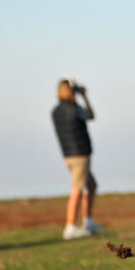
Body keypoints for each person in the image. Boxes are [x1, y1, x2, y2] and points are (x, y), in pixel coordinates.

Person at [51, 78, 105, 239]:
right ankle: (70, 227)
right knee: (77, 188)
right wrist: (85, 97)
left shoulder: (56, 111)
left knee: (91, 185)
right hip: (80, 154)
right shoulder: (74, 109)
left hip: (68, 155)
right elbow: (91, 115)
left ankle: (88, 222)